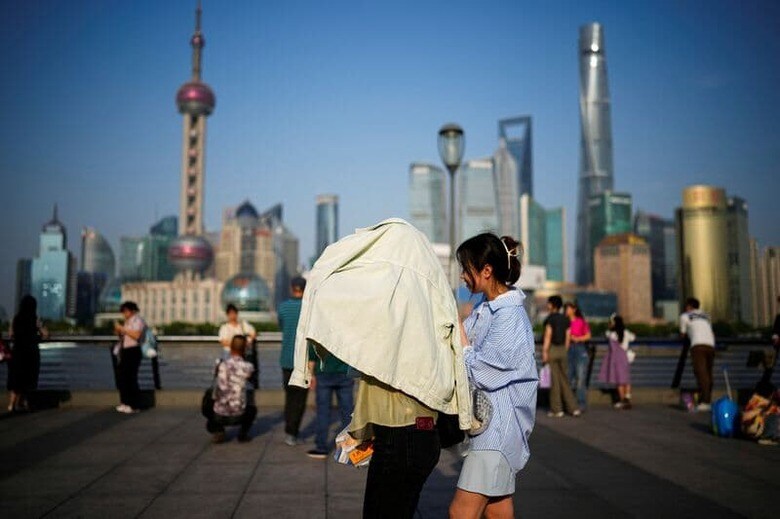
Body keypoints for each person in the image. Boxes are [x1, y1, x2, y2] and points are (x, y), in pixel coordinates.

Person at [449, 234, 538, 519]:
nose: (463, 275)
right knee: (498, 512)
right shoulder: (487, 309)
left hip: (496, 431)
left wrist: (461, 339)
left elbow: (483, 371)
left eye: (466, 268)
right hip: (494, 428)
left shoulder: (509, 315)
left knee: (460, 514)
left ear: (486, 270)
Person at [306, 343, 354, 459]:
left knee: (323, 412)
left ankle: (321, 448)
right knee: (347, 413)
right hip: (345, 373)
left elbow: (312, 356)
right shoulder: (347, 330)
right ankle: (349, 448)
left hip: (323, 373)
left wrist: (311, 375)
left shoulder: (319, 332)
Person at [206, 335, 257, 443]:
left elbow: (214, 376)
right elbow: (252, 383)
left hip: (218, 414)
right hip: (238, 415)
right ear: (245, 349)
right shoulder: (248, 367)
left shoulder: (220, 364)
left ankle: (218, 431)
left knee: (209, 405)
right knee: (252, 409)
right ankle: (242, 434)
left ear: (230, 347)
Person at [278, 276, 308, 446]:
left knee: (289, 397)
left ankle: (289, 429)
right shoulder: (308, 308)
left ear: (291, 288)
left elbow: (282, 326)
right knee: (300, 399)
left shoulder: (282, 307)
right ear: (305, 288)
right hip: (303, 362)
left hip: (286, 360)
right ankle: (293, 432)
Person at [7, 295, 47, 412]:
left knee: (16, 378)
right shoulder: (35, 319)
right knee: (28, 378)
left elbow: (10, 334)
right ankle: (24, 402)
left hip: (17, 352)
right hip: (31, 353)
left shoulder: (16, 318)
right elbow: (45, 335)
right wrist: (39, 328)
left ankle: (12, 404)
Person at [542, 295, 580, 418]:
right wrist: (565, 350)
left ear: (552, 305)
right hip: (563, 350)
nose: (547, 306)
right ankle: (573, 408)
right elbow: (568, 337)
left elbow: (548, 336)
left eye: (549, 304)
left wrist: (545, 352)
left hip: (552, 349)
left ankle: (557, 409)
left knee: (554, 381)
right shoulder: (565, 319)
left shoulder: (550, 319)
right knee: (564, 380)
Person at [679, 297, 716, 412]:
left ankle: (705, 402)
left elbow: (683, 334)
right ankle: (706, 399)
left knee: (701, 374)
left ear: (688, 306)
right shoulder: (706, 315)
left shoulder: (685, 316)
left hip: (697, 345)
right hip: (710, 345)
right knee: (709, 373)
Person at [113, 301, 145, 414]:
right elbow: (123, 335)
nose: (124, 314)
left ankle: (134, 405)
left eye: (126, 311)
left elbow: (136, 335)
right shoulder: (127, 322)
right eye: (123, 311)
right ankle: (125, 403)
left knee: (131, 378)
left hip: (133, 350)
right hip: (125, 350)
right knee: (122, 377)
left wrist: (123, 329)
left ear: (132, 311)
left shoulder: (138, 320)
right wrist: (118, 330)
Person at [599, 314, 636, 409]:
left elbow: (606, 334)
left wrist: (609, 326)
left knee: (619, 380)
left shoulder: (611, 334)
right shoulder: (626, 332)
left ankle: (622, 400)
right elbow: (633, 337)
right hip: (625, 357)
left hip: (615, 358)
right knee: (626, 378)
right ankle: (627, 397)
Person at [564, 302, 592, 410]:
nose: (566, 310)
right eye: (565, 308)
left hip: (580, 349)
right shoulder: (565, 322)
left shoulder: (581, 321)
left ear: (574, 309)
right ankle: (569, 403)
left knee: (580, 378)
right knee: (568, 377)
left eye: (568, 308)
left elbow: (588, 335)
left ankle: (581, 403)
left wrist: (577, 338)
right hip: (568, 349)